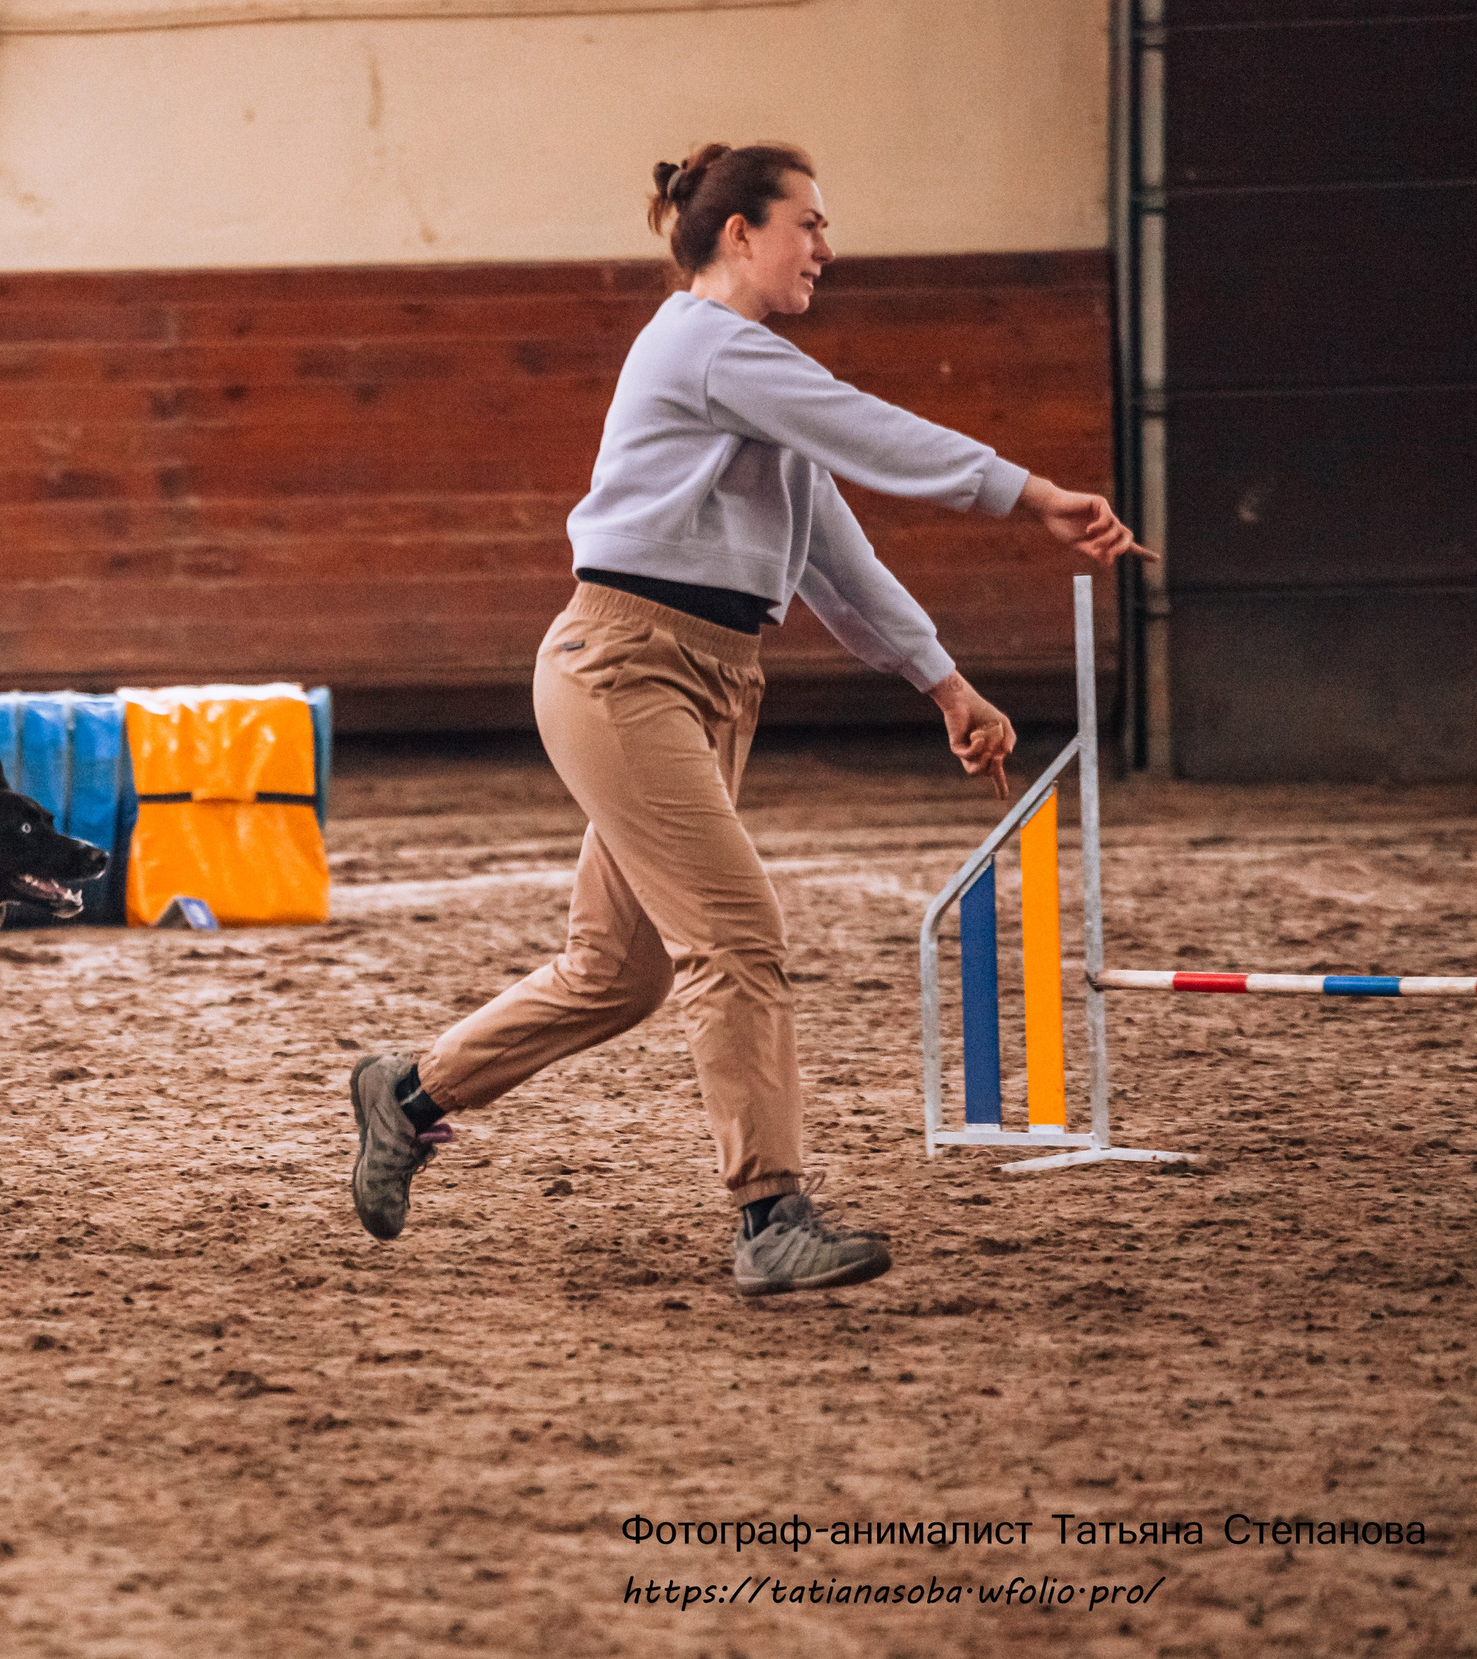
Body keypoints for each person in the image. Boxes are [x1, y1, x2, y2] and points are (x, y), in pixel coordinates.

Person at [346, 142, 1152, 1296]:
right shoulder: (705, 341)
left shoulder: (750, 375)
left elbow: (834, 556)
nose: (825, 247)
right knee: (736, 935)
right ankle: (770, 1213)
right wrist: (1027, 493)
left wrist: (944, 685)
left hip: (707, 679)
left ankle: (407, 1090)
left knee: (617, 974)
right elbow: (874, 429)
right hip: (626, 668)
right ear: (739, 235)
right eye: (808, 225)